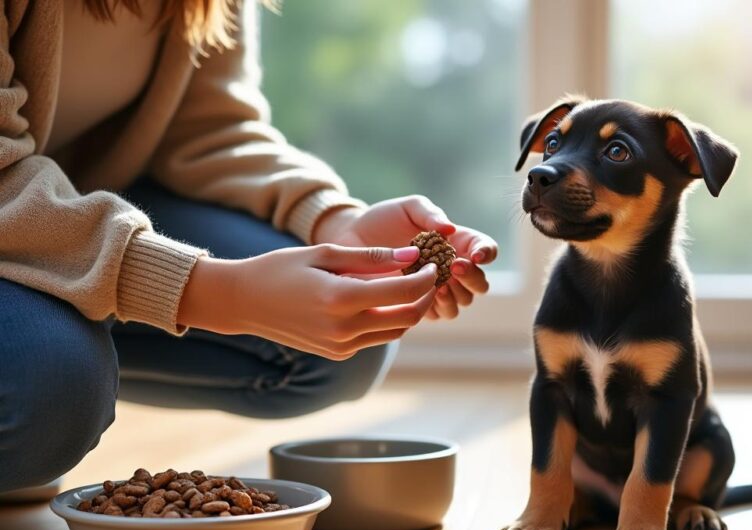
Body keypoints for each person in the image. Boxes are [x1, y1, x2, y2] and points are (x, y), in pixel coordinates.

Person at [0, 1, 497, 494]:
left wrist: (335, 220)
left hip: (78, 205)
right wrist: (226, 294)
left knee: (340, 346)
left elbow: (210, 131)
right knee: (54, 393)